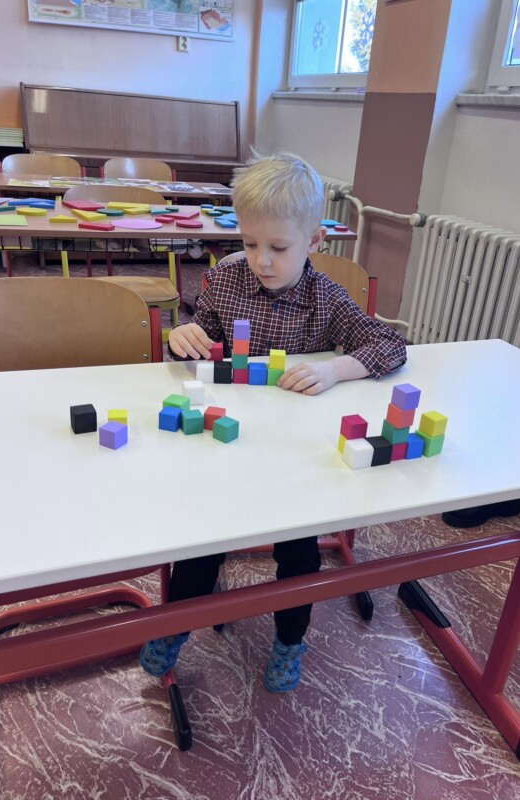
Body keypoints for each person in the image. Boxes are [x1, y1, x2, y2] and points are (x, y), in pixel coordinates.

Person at [140, 152, 407, 692]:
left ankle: (289, 639)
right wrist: (182, 338)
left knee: (299, 551)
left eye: (279, 248)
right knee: (202, 540)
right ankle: (175, 626)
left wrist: (334, 369)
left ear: (314, 241)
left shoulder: (326, 299)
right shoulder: (224, 281)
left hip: (294, 455)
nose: (261, 260)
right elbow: (199, 343)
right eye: (249, 243)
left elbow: (390, 345)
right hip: (226, 442)